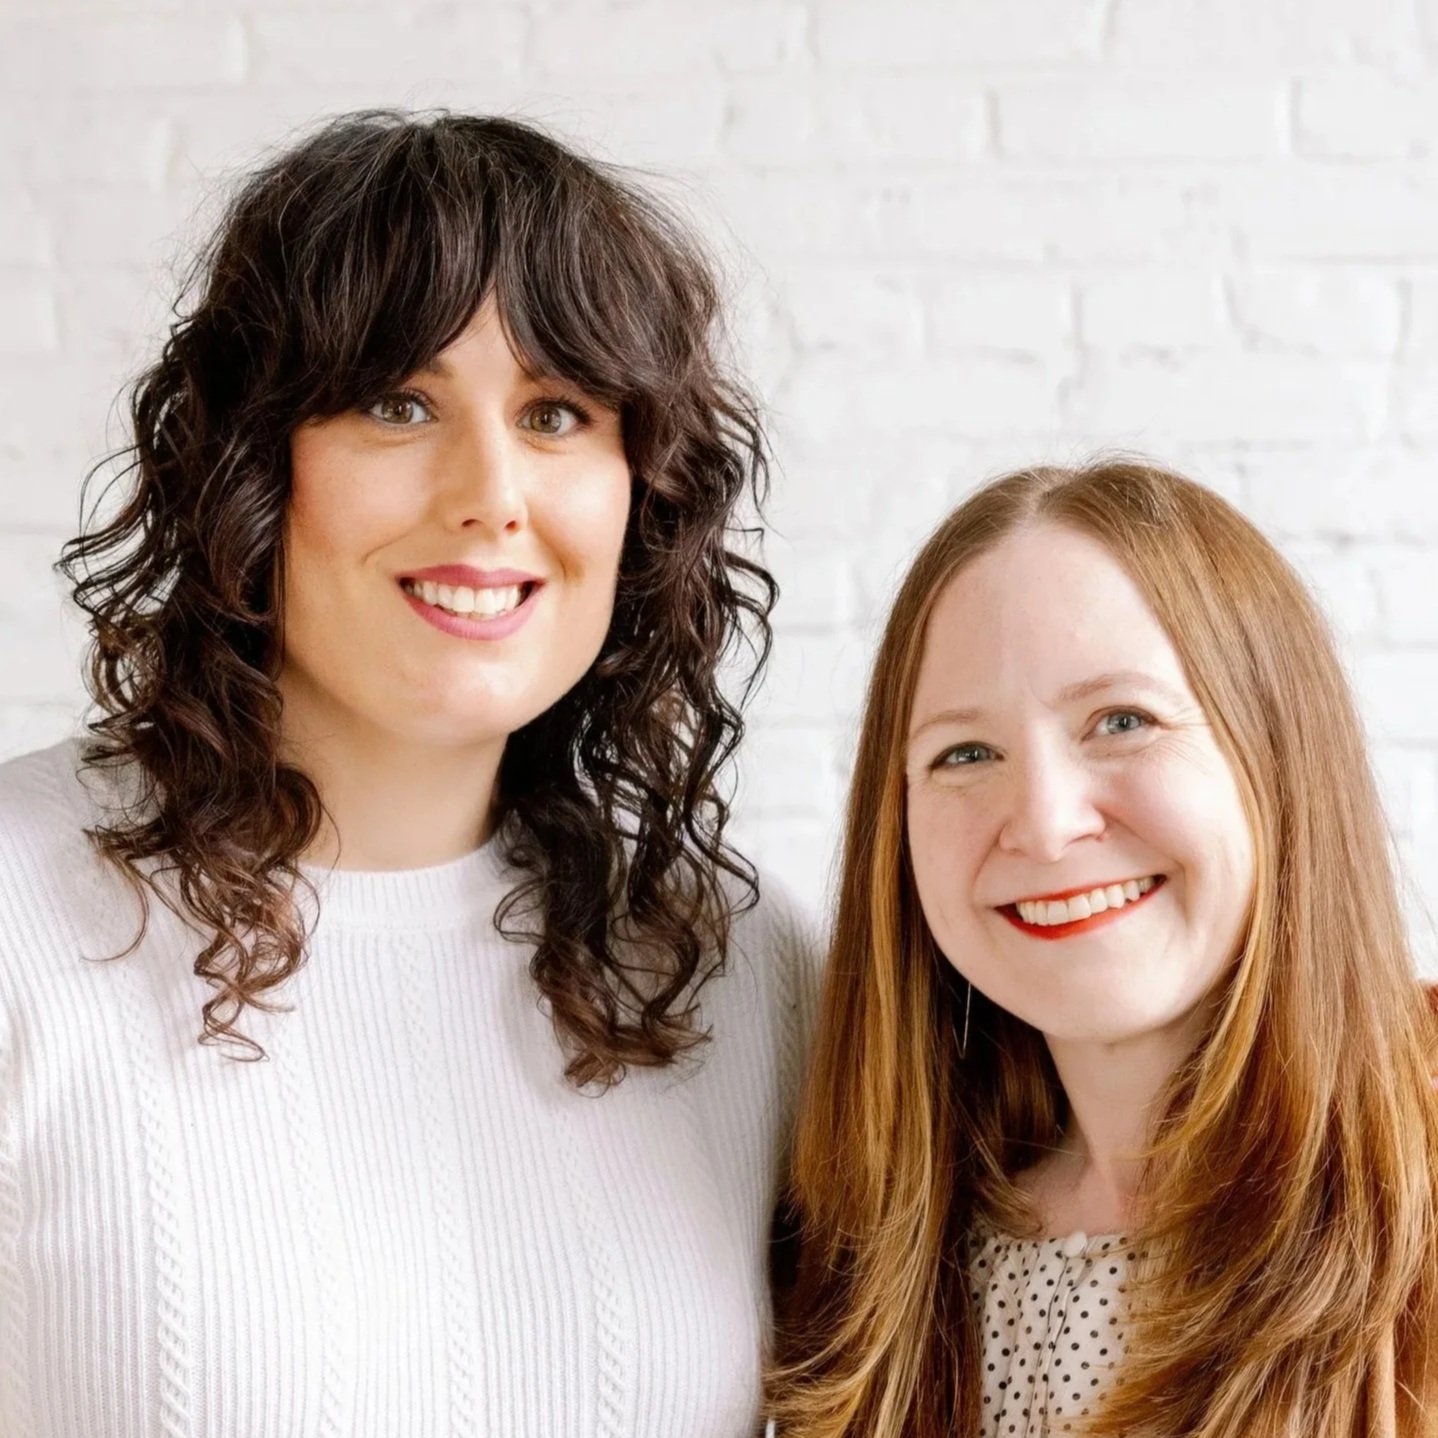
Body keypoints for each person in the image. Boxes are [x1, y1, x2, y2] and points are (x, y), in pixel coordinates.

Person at [0, 110, 816, 1437]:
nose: (490, 492)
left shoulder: (737, 964)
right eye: (399, 403)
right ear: (249, 464)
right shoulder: (17, 919)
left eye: (558, 412)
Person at [766, 458, 1438, 1437]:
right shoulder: (884, 1264)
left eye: (1121, 721)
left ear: (1279, 756)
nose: (1040, 822)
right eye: (965, 753)